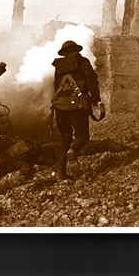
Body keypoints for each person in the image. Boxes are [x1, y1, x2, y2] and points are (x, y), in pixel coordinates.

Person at [51, 40, 104, 180]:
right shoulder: (82, 61)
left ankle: (61, 173)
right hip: (76, 104)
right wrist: (96, 99)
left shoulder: (58, 66)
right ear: (76, 50)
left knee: (65, 138)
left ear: (64, 53)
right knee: (83, 136)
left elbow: (56, 87)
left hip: (59, 105)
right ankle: (73, 151)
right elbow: (92, 78)